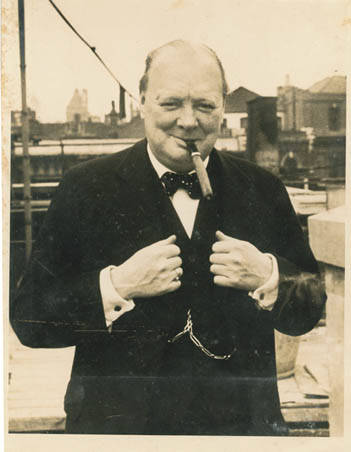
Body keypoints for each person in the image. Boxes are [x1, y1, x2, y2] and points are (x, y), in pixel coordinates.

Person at [11, 40, 326, 436]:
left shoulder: (263, 189)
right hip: (118, 434)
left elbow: (310, 308)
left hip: (240, 433)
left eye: (205, 105)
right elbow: (28, 319)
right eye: (171, 103)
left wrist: (267, 275)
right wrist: (117, 285)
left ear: (223, 107)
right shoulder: (84, 187)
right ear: (142, 101)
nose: (189, 121)